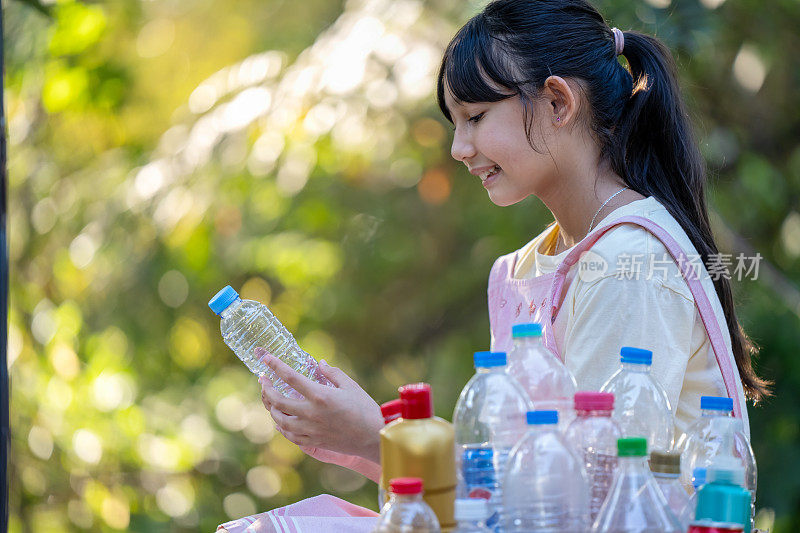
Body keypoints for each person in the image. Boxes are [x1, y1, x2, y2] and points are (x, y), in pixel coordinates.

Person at [255, 0, 771, 503]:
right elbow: (507, 485)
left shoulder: (629, 263)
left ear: (557, 102)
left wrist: (377, 437)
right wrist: (364, 436)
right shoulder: (527, 267)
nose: (459, 148)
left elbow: (595, 492)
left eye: (476, 116)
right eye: (455, 123)